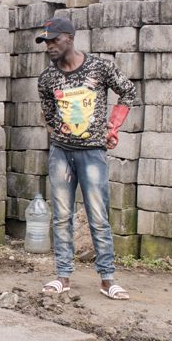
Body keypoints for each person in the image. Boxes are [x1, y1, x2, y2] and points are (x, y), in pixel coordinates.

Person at [35, 17, 134, 300]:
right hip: (61, 153)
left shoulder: (99, 68)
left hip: (92, 153)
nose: (50, 47)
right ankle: (62, 277)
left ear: (69, 38)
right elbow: (50, 116)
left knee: (98, 216)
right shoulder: (47, 79)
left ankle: (107, 279)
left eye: (54, 40)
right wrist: (61, 136)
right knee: (62, 216)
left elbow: (128, 91)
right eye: (46, 42)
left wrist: (112, 126)